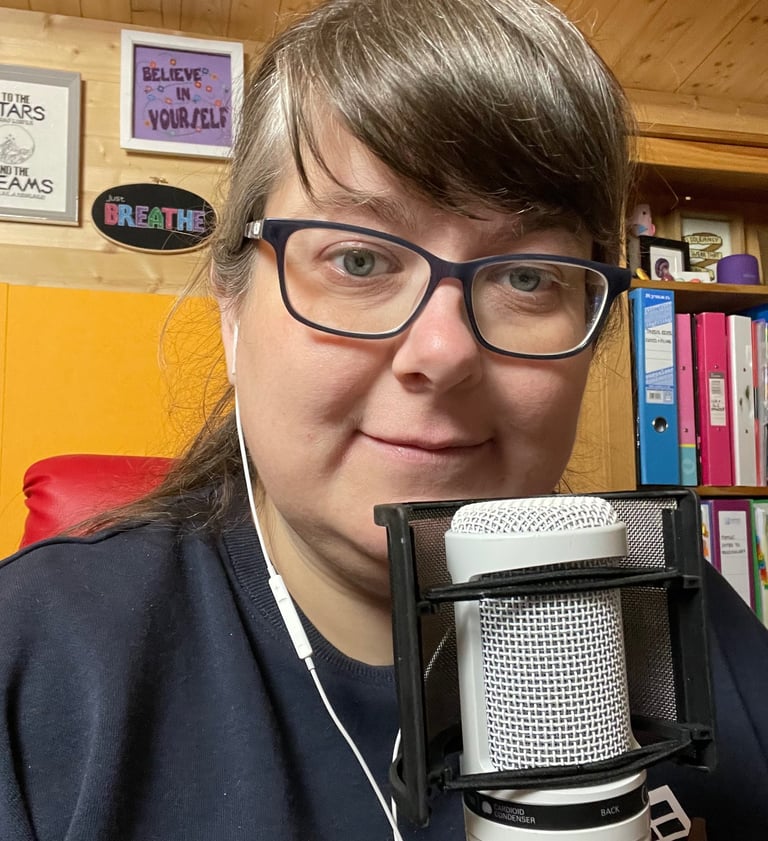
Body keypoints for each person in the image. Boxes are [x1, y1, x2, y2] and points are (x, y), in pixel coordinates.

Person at [0, 0, 766, 838]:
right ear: (232, 312)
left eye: (527, 278)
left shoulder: (698, 623)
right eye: (358, 258)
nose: (442, 352)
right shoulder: (33, 660)